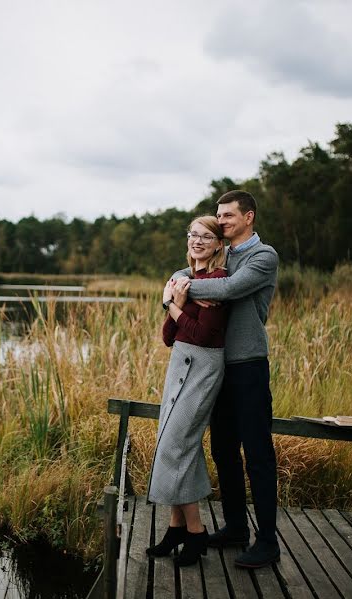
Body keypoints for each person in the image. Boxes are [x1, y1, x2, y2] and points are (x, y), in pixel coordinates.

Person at [170, 189, 280, 569]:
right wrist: (176, 283)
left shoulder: (263, 256)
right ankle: (236, 528)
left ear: (248, 217)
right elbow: (188, 269)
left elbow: (229, 288)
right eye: (219, 215)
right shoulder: (224, 253)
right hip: (216, 367)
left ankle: (268, 542)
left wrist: (182, 292)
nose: (222, 221)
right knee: (223, 451)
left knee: (258, 455)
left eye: (229, 215)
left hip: (248, 365)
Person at [145, 215, 229, 567]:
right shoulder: (186, 279)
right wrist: (175, 303)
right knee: (181, 448)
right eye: (193, 234)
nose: (197, 241)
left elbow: (202, 335)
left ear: (217, 245)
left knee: (175, 447)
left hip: (203, 367)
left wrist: (174, 304)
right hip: (179, 365)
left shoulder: (218, 281)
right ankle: (176, 527)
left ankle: (195, 533)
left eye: (206, 236)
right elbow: (169, 337)